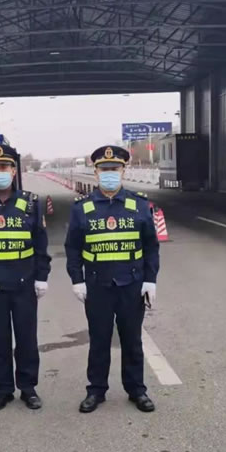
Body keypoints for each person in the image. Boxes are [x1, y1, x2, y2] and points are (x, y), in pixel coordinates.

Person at [64, 145, 159, 414]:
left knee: (132, 341)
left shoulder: (139, 205)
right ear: (95, 173)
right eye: (104, 169)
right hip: (97, 286)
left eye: (114, 169)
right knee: (99, 340)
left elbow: (151, 247)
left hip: (132, 284)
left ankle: (137, 390)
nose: (109, 174)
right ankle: (96, 390)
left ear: (123, 171)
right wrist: (77, 279)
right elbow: (73, 248)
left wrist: (150, 280)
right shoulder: (82, 208)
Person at [0, 143, 51, 411]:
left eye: (4, 167)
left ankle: (28, 388)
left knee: (26, 339)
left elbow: (40, 244)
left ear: (14, 171)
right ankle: (3, 389)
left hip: (24, 284)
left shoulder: (31, 203)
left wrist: (42, 276)